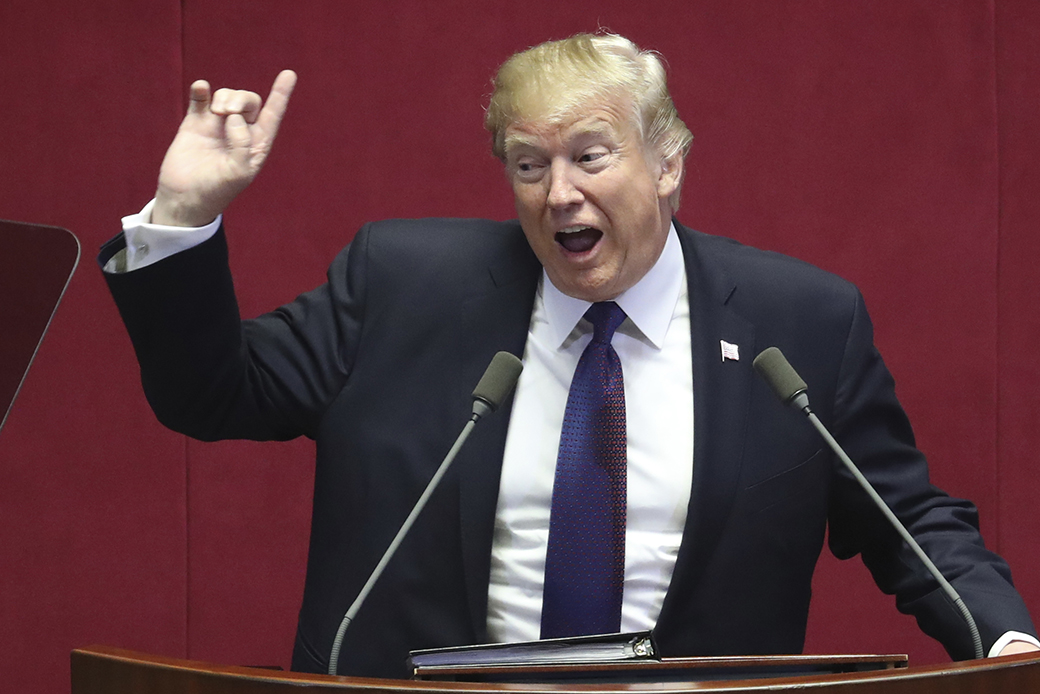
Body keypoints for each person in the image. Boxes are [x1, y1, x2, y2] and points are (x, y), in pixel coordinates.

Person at [100, 33, 1038, 677]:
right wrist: (182, 216)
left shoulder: (802, 323)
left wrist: (1002, 646)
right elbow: (211, 396)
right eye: (528, 163)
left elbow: (907, 518)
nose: (558, 194)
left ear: (667, 162)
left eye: (592, 157)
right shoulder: (400, 283)